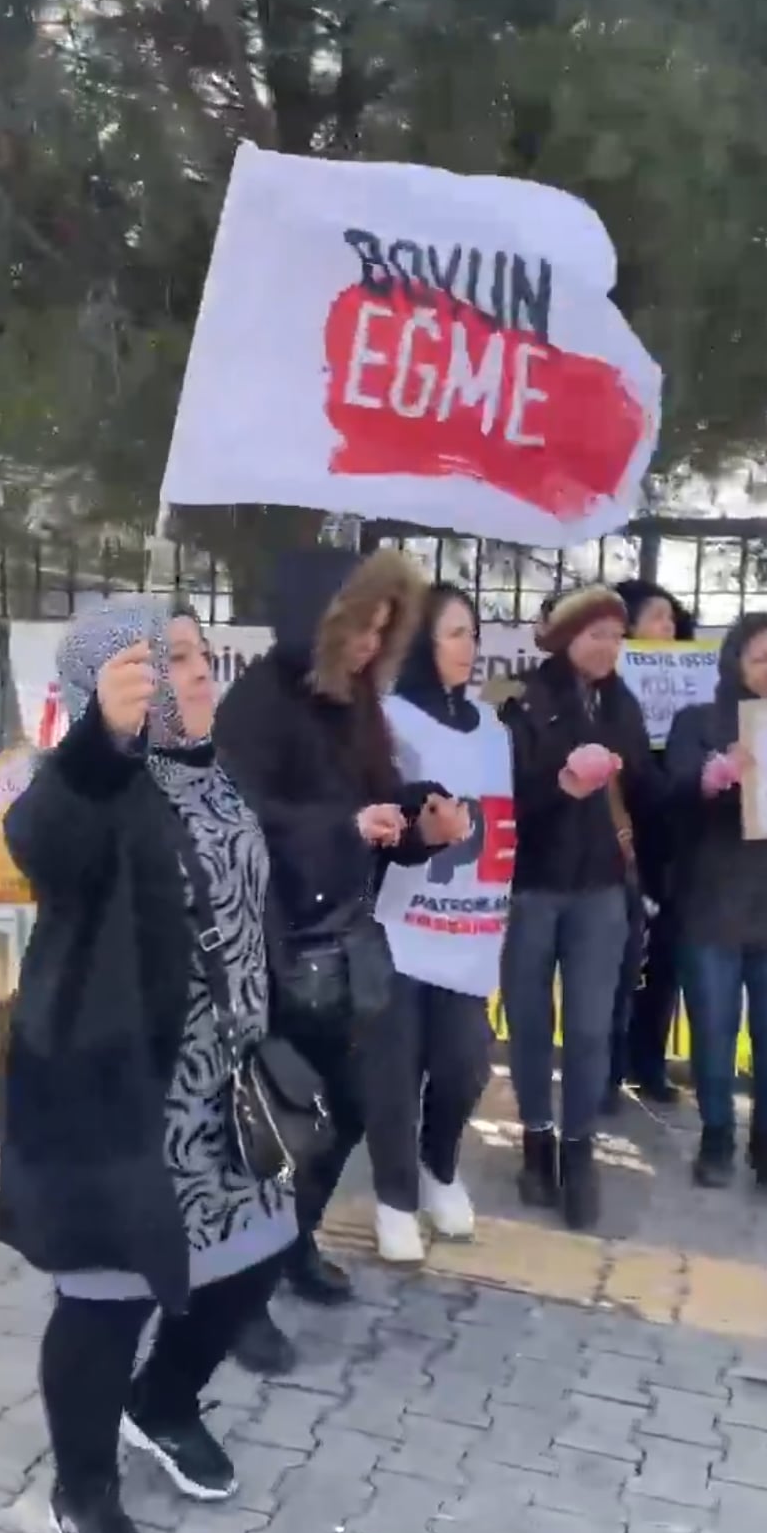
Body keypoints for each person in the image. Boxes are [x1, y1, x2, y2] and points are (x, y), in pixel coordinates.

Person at [0, 596, 296, 1533]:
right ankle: (83, 1486)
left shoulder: (215, 772)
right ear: (109, 685)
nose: (198, 672)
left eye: (200, 653)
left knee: (252, 1261)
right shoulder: (93, 786)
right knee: (106, 1300)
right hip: (119, 1090)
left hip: (225, 1085)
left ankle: (162, 1403)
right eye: (169, 659)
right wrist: (99, 745)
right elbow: (42, 839)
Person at [215, 547, 468, 1372]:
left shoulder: (356, 700)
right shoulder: (256, 702)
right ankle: (237, 1301)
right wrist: (345, 828)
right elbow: (239, 820)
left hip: (344, 945)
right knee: (268, 1125)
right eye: (359, 628)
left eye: (383, 632)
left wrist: (419, 822)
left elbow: (373, 808)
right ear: (320, 621)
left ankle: (291, 1241)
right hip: (269, 945)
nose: (369, 646)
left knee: (354, 1105)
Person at [500, 585, 659, 1228]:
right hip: (531, 887)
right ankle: (537, 1142)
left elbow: (644, 787)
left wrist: (701, 781)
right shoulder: (520, 698)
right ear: (566, 636)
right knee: (530, 1023)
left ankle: (578, 1149)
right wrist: (561, 784)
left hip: (601, 889)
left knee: (592, 1027)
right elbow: (503, 796)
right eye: (597, 635)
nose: (608, 647)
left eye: (617, 637)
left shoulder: (622, 702)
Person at [371, 584, 504, 1263]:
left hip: (470, 931)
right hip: (400, 927)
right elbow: (376, 803)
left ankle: (438, 1167)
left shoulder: (493, 726)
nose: (467, 646)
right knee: (393, 1074)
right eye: (453, 632)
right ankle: (393, 1199)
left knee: (464, 1065)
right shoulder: (389, 719)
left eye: (472, 633)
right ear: (421, 641)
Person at [666, 612, 767, 1190]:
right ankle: (716, 1136)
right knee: (713, 1032)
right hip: (713, 904)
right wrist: (713, 777)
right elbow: (671, 795)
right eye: (760, 657)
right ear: (735, 662)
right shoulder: (697, 722)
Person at [607, 578, 696, 1110]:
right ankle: (607, 1065)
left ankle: (650, 1062)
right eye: (656, 616)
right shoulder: (606, 688)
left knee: (664, 955)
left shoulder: (693, 688)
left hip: (671, 839)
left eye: (671, 617)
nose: (667, 626)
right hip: (616, 832)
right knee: (612, 961)